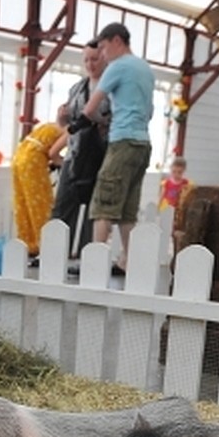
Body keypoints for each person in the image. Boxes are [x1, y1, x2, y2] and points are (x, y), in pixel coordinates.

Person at [71, 22, 155, 273]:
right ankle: (128, 262)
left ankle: (94, 263)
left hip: (122, 141)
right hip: (143, 144)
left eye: (105, 48)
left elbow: (90, 108)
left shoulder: (117, 67)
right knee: (128, 209)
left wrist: (97, 121)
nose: (103, 55)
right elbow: (149, 112)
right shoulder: (145, 69)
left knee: (103, 203)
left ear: (117, 41)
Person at [51, 39, 110, 261]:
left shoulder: (112, 87)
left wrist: (98, 119)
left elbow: (116, 120)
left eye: (94, 59)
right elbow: (66, 126)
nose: (90, 64)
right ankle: (55, 253)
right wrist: (62, 117)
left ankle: (87, 257)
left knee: (93, 211)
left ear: (104, 59)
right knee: (63, 204)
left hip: (101, 155)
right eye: (86, 59)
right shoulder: (77, 88)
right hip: (75, 154)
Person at [11, 105, 68, 261]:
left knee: (23, 202)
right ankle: (44, 243)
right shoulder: (69, 131)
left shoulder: (49, 126)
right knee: (41, 203)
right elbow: (53, 153)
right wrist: (64, 164)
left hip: (19, 157)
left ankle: (28, 242)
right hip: (33, 162)